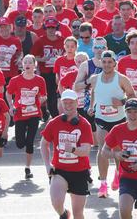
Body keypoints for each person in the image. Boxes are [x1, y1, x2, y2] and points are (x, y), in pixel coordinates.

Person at [87, 49, 136, 198]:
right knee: (103, 149)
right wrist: (91, 106)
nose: (107, 65)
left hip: (119, 120)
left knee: (117, 150)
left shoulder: (121, 79)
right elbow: (93, 92)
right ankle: (103, 184)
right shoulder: (95, 78)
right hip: (101, 119)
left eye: (110, 62)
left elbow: (133, 96)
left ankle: (118, 174)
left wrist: (121, 102)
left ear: (115, 63)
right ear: (101, 62)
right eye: (104, 62)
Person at [41, 90, 94, 219]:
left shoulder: (84, 124)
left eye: (71, 102)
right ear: (61, 104)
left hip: (80, 171)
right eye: (65, 102)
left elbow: (86, 150)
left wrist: (73, 149)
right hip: (60, 170)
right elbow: (44, 144)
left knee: (78, 213)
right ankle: (64, 214)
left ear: (77, 103)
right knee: (56, 202)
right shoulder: (54, 123)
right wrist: (47, 165)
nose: (68, 105)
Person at [6, 54, 47, 179]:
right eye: (25, 62)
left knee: (30, 142)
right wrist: (11, 106)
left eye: (30, 62)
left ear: (35, 65)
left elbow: (44, 95)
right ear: (22, 65)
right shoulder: (15, 80)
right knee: (20, 143)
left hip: (34, 114)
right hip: (20, 114)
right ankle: (22, 147)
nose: (27, 64)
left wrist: (42, 99)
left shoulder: (40, 80)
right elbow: (8, 94)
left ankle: (27, 168)